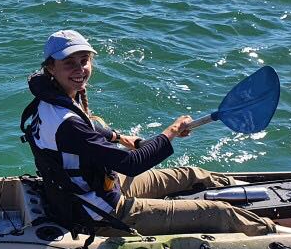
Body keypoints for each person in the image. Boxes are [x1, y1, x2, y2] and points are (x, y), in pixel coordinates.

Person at [21, 29, 275, 237]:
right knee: (219, 213)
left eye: (84, 61)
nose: (80, 69)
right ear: (51, 68)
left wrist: (122, 138)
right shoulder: (65, 122)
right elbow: (131, 164)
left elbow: (92, 130)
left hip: (105, 184)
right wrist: (171, 132)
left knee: (193, 174)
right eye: (69, 63)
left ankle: (264, 193)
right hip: (98, 209)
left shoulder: (52, 99)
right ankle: (281, 234)